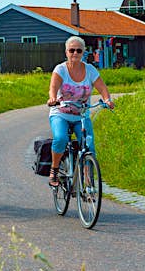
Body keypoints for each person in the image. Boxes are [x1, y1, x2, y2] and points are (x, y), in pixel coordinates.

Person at [46, 36, 114, 187]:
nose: (75, 53)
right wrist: (52, 98)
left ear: (84, 52)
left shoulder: (90, 70)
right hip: (60, 113)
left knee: (88, 145)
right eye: (72, 50)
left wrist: (107, 100)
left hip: (81, 115)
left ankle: (88, 182)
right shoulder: (60, 69)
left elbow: (102, 88)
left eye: (78, 50)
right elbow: (53, 88)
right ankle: (55, 170)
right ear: (66, 52)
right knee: (60, 138)